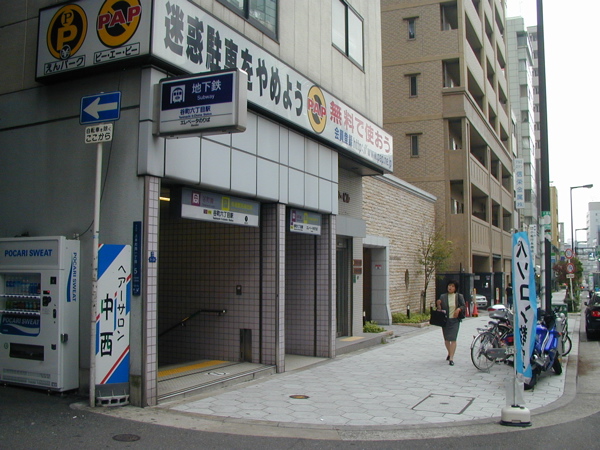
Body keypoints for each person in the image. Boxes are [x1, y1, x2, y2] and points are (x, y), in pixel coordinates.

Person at [436, 280, 466, 366]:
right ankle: (449, 352)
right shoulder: (443, 296)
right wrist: (438, 304)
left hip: (455, 320)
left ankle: (451, 358)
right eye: (449, 285)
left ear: (455, 288)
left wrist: (458, 309)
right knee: (446, 339)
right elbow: (439, 310)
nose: (450, 287)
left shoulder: (458, 296)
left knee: (453, 339)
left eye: (453, 286)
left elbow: (463, 306)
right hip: (445, 320)